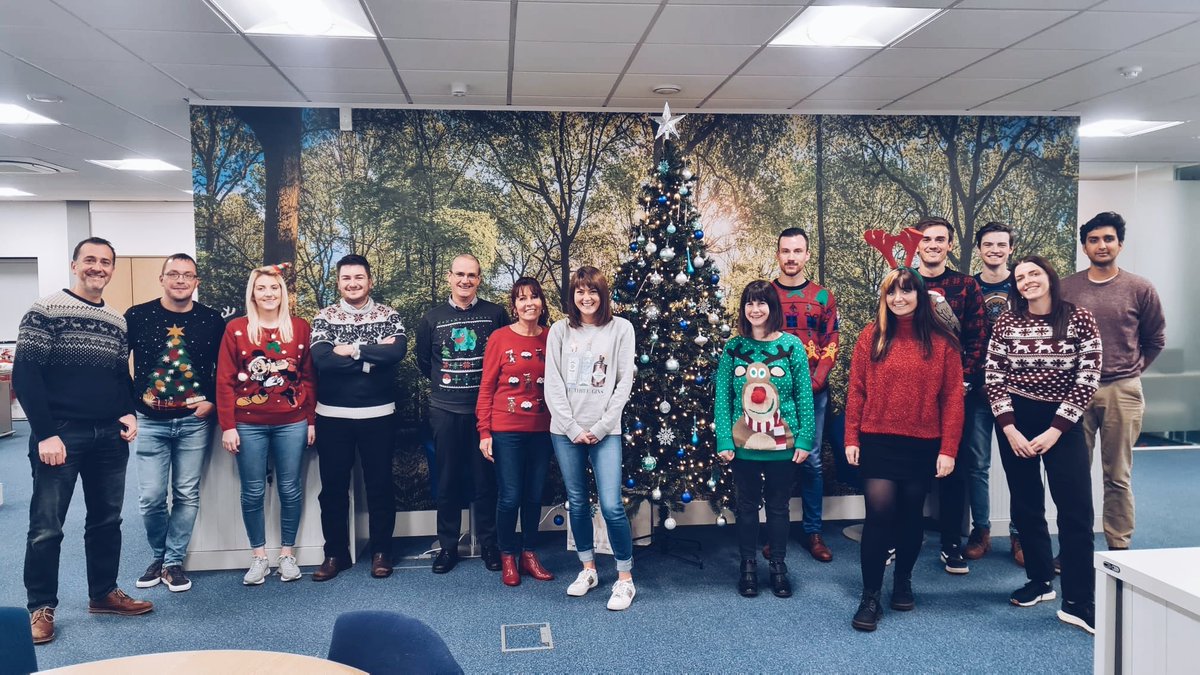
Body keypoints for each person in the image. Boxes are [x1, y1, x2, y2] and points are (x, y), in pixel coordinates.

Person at [14, 237, 151, 645]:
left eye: (105, 262)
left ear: (112, 269)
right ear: (75, 265)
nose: (98, 267)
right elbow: (26, 375)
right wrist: (46, 433)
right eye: (90, 260)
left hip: (108, 436)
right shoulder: (45, 310)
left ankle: (103, 593)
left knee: (107, 521)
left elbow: (118, 375)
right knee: (47, 527)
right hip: (61, 434)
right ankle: (41, 607)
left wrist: (129, 410)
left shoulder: (115, 320)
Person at [985, 255, 1102, 633]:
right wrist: (1009, 428)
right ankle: (1039, 581)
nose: (1027, 281)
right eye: (1020, 277)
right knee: (1026, 504)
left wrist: (1056, 430)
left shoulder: (1079, 318)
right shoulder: (1007, 322)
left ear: (1049, 276)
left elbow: (1088, 377)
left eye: (1034, 273)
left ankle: (1078, 601)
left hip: (1063, 423)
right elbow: (993, 376)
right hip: (1016, 420)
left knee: (1075, 511)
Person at [846, 267, 963, 632]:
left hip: (922, 442)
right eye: (892, 292)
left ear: (920, 295)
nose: (899, 298)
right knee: (878, 515)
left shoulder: (942, 342)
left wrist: (949, 449)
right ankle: (870, 596)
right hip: (877, 438)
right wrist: (851, 438)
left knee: (912, 516)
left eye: (906, 291)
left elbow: (952, 399)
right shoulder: (871, 336)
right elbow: (857, 390)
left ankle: (902, 582)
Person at [1061, 212, 1165, 551]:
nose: (1101, 245)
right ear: (1084, 247)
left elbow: (1155, 339)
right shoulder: (1066, 288)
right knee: (1074, 476)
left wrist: (1130, 371)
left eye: (1108, 239)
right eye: (1094, 240)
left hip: (1122, 390)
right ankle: (1074, 550)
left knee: (1118, 475)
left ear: (1120, 244)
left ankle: (1120, 549)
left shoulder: (1140, 288)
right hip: (1076, 390)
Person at [125, 253, 225, 593]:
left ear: (196, 282)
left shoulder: (211, 319)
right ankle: (158, 555)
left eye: (187, 275)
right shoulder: (137, 316)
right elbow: (117, 363)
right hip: (150, 421)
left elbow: (224, 366)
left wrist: (212, 401)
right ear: (162, 279)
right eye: (173, 274)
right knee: (151, 497)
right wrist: (130, 405)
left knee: (186, 493)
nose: (180, 280)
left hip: (194, 422)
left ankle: (172, 562)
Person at [216, 264, 316, 585]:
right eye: (261, 288)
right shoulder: (236, 329)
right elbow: (224, 381)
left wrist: (310, 420)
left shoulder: (299, 328)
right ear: (253, 293)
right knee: (253, 491)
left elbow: (308, 378)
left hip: (292, 422)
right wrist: (228, 425)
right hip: (248, 424)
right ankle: (259, 557)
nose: (268, 294)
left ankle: (287, 554)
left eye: (274, 288)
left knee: (290, 488)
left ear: (282, 293)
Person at [310, 255, 407, 581]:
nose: (353, 283)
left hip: (378, 414)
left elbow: (395, 353)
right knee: (333, 489)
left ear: (370, 281)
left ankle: (382, 553)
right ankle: (335, 554)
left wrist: (350, 350)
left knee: (380, 486)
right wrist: (371, 354)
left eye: (359, 277)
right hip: (332, 415)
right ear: (338, 283)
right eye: (347, 278)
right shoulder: (324, 316)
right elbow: (322, 360)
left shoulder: (388, 315)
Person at [545, 266, 637, 611]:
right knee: (578, 502)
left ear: (603, 295)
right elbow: (553, 383)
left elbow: (623, 383)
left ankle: (625, 579)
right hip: (565, 431)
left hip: (605, 432)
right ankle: (588, 570)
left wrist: (599, 428)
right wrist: (572, 428)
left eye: (593, 291)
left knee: (612, 506)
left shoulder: (621, 329)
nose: (586, 298)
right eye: (580, 291)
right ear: (572, 296)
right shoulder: (559, 330)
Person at [716, 281, 815, 599]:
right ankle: (747, 566)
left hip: (783, 444)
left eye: (761, 303)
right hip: (742, 445)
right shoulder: (733, 348)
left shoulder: (792, 346)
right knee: (746, 506)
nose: (755, 309)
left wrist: (805, 439)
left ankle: (778, 566)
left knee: (778, 507)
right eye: (750, 303)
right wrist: (724, 440)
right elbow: (722, 397)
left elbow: (804, 395)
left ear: (773, 308)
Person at [416, 254, 509, 574]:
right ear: (449, 277)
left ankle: (490, 544)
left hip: (485, 412)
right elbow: (425, 362)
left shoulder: (495, 314)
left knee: (486, 481)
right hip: (445, 410)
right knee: (447, 481)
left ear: (479, 279)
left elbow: (504, 357)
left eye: (471, 275)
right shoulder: (432, 318)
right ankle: (448, 547)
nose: (465, 280)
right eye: (459, 274)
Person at [914, 216, 985, 574]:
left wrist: (965, 381)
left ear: (950, 245)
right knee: (909, 468)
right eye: (926, 239)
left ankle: (951, 543)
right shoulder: (903, 281)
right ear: (917, 244)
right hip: (912, 392)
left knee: (953, 469)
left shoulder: (966, 285)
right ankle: (902, 537)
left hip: (954, 391)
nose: (933, 245)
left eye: (940, 239)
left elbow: (978, 336)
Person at [476, 277, 555, 587]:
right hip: (506, 430)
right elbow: (486, 387)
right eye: (522, 298)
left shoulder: (552, 337)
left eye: (534, 297)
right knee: (510, 497)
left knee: (534, 496)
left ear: (542, 303)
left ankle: (529, 553)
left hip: (543, 430)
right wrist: (484, 431)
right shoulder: (500, 338)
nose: (528, 303)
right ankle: (508, 555)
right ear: (514, 305)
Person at [773, 227, 838, 562]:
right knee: (777, 460)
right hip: (772, 393)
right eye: (785, 251)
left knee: (811, 460)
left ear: (807, 255)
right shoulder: (767, 294)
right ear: (778, 255)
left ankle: (813, 531)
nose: (791, 257)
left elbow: (832, 342)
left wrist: (815, 381)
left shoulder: (823, 297)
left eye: (797, 251)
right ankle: (776, 531)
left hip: (814, 391)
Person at [963, 222, 1017, 563]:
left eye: (1001, 244)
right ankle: (980, 530)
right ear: (979, 248)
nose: (994, 250)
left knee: (1019, 465)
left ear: (1010, 248)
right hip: (978, 389)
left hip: (1016, 390)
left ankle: (1019, 534)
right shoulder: (970, 287)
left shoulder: (1022, 284)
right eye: (988, 244)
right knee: (977, 465)